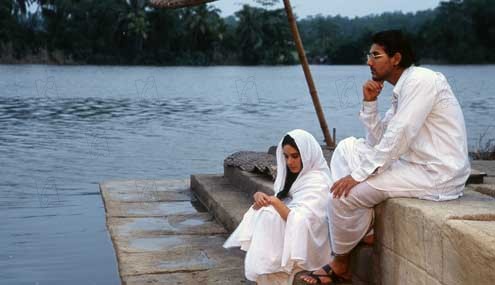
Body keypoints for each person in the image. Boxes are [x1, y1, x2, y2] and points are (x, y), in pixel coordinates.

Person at [301, 30, 471, 284]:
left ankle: (341, 264)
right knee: (347, 147)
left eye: (376, 55)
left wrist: (358, 176)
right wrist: (369, 105)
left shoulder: (421, 80)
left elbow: (399, 135)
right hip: (412, 165)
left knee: (340, 199)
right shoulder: (402, 89)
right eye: (369, 55)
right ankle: (365, 228)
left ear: (396, 58)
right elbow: (379, 142)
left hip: (436, 173)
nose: (369, 62)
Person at [224, 129, 332, 284]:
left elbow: (303, 220)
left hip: (313, 240)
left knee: (269, 214)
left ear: (307, 155)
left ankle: (270, 269)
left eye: (295, 156)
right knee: (264, 211)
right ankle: (267, 270)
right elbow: (284, 203)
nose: (289, 162)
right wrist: (260, 198)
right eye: (286, 156)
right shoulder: (296, 178)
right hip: (295, 232)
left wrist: (274, 202)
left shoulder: (319, 182)